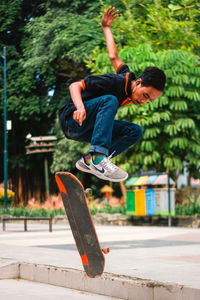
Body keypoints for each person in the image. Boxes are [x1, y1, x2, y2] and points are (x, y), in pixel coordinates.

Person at [58, 7, 166, 182]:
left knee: (135, 131)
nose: (144, 101)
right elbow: (75, 85)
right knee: (110, 100)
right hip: (72, 119)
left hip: (89, 127)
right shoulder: (114, 82)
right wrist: (79, 107)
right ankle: (98, 156)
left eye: (150, 100)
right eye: (145, 95)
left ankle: (89, 160)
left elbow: (114, 57)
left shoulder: (125, 76)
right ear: (138, 82)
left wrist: (107, 28)